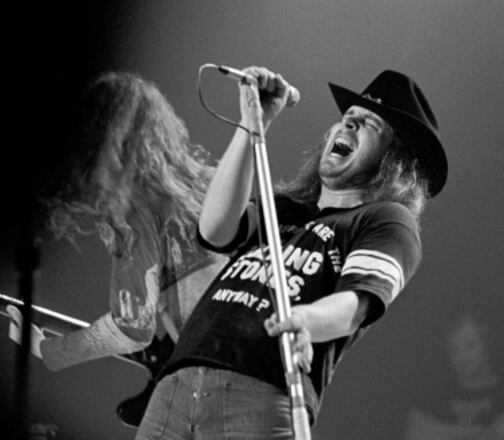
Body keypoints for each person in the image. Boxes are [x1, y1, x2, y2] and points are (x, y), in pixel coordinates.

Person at [133, 66, 448, 439]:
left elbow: (358, 303)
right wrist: (253, 125)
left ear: (393, 159)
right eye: (347, 118)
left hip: (259, 392)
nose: (349, 125)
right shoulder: (283, 208)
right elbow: (214, 229)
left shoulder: (386, 221)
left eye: (369, 124)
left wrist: (308, 319)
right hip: (176, 385)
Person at [7, 72, 226, 378]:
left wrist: (48, 350)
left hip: (220, 375)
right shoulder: (208, 184)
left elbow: (132, 327)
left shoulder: (138, 212)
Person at [404, 313, 504, 440]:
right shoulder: (434, 394)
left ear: (487, 346)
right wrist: (477, 432)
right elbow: (414, 434)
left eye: (469, 346)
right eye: (454, 349)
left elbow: (501, 435)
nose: (461, 357)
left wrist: (438, 431)